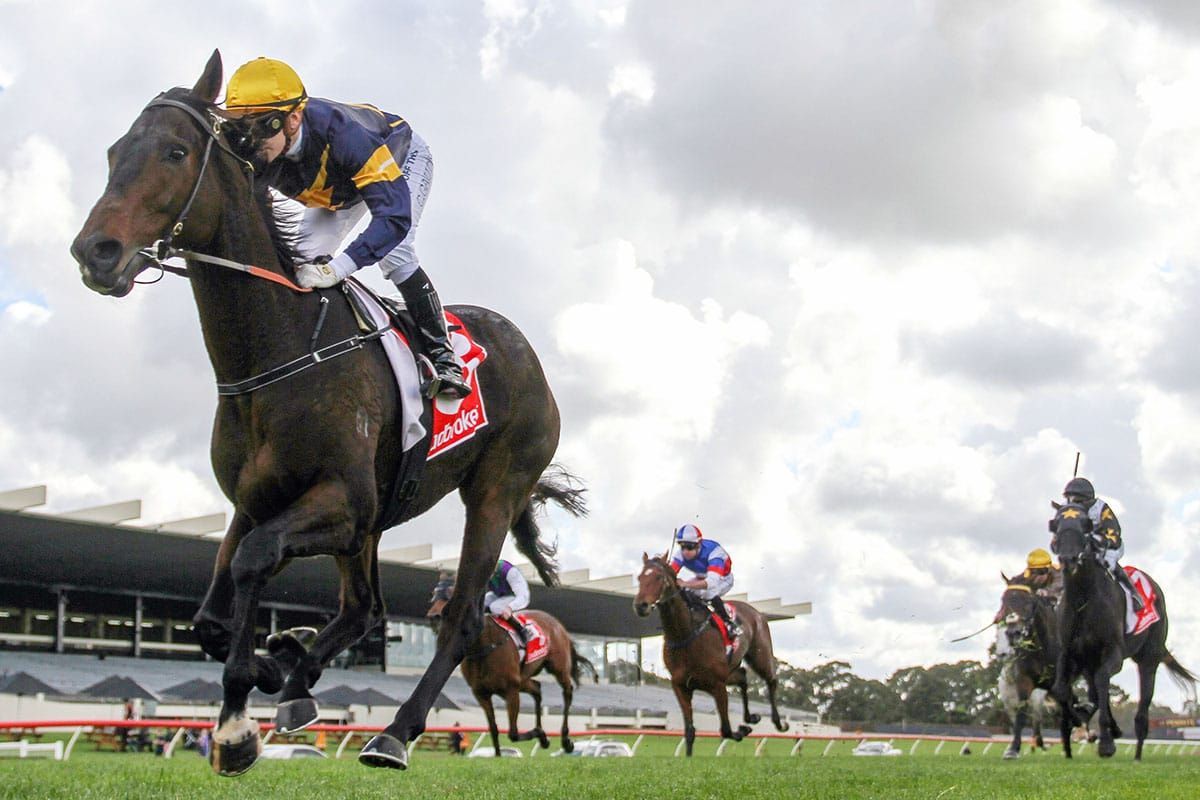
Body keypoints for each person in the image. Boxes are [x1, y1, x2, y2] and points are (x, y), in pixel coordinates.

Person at [222, 57, 471, 399]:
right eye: (241, 126)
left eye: (262, 125)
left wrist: (339, 268)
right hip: (338, 192)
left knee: (395, 253)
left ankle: (445, 359)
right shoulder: (258, 143)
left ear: (294, 118)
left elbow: (393, 217)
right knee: (301, 263)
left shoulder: (347, 136)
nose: (251, 140)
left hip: (396, 161)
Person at [1055, 477, 1142, 611]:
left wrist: (1100, 540)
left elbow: (1114, 534)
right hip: (1081, 546)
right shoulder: (1066, 510)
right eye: (1070, 499)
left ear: (1087, 499)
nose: (1073, 503)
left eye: (1077, 500)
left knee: (1108, 564)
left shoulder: (1102, 509)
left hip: (1107, 546)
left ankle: (1133, 594)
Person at [670, 523, 740, 639]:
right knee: (683, 592)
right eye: (683, 547)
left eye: (690, 547)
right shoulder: (681, 555)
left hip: (722, 579)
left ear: (699, 545)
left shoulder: (715, 553)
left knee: (708, 593)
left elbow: (710, 583)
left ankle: (729, 622)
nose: (686, 551)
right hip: (701, 577)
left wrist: (685, 583)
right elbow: (670, 574)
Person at [483, 559, 533, 647]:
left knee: (495, 606)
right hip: (500, 594)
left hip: (515, 596)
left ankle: (522, 630)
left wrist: (509, 608)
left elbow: (523, 596)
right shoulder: (483, 571)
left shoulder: (510, 571)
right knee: (482, 602)